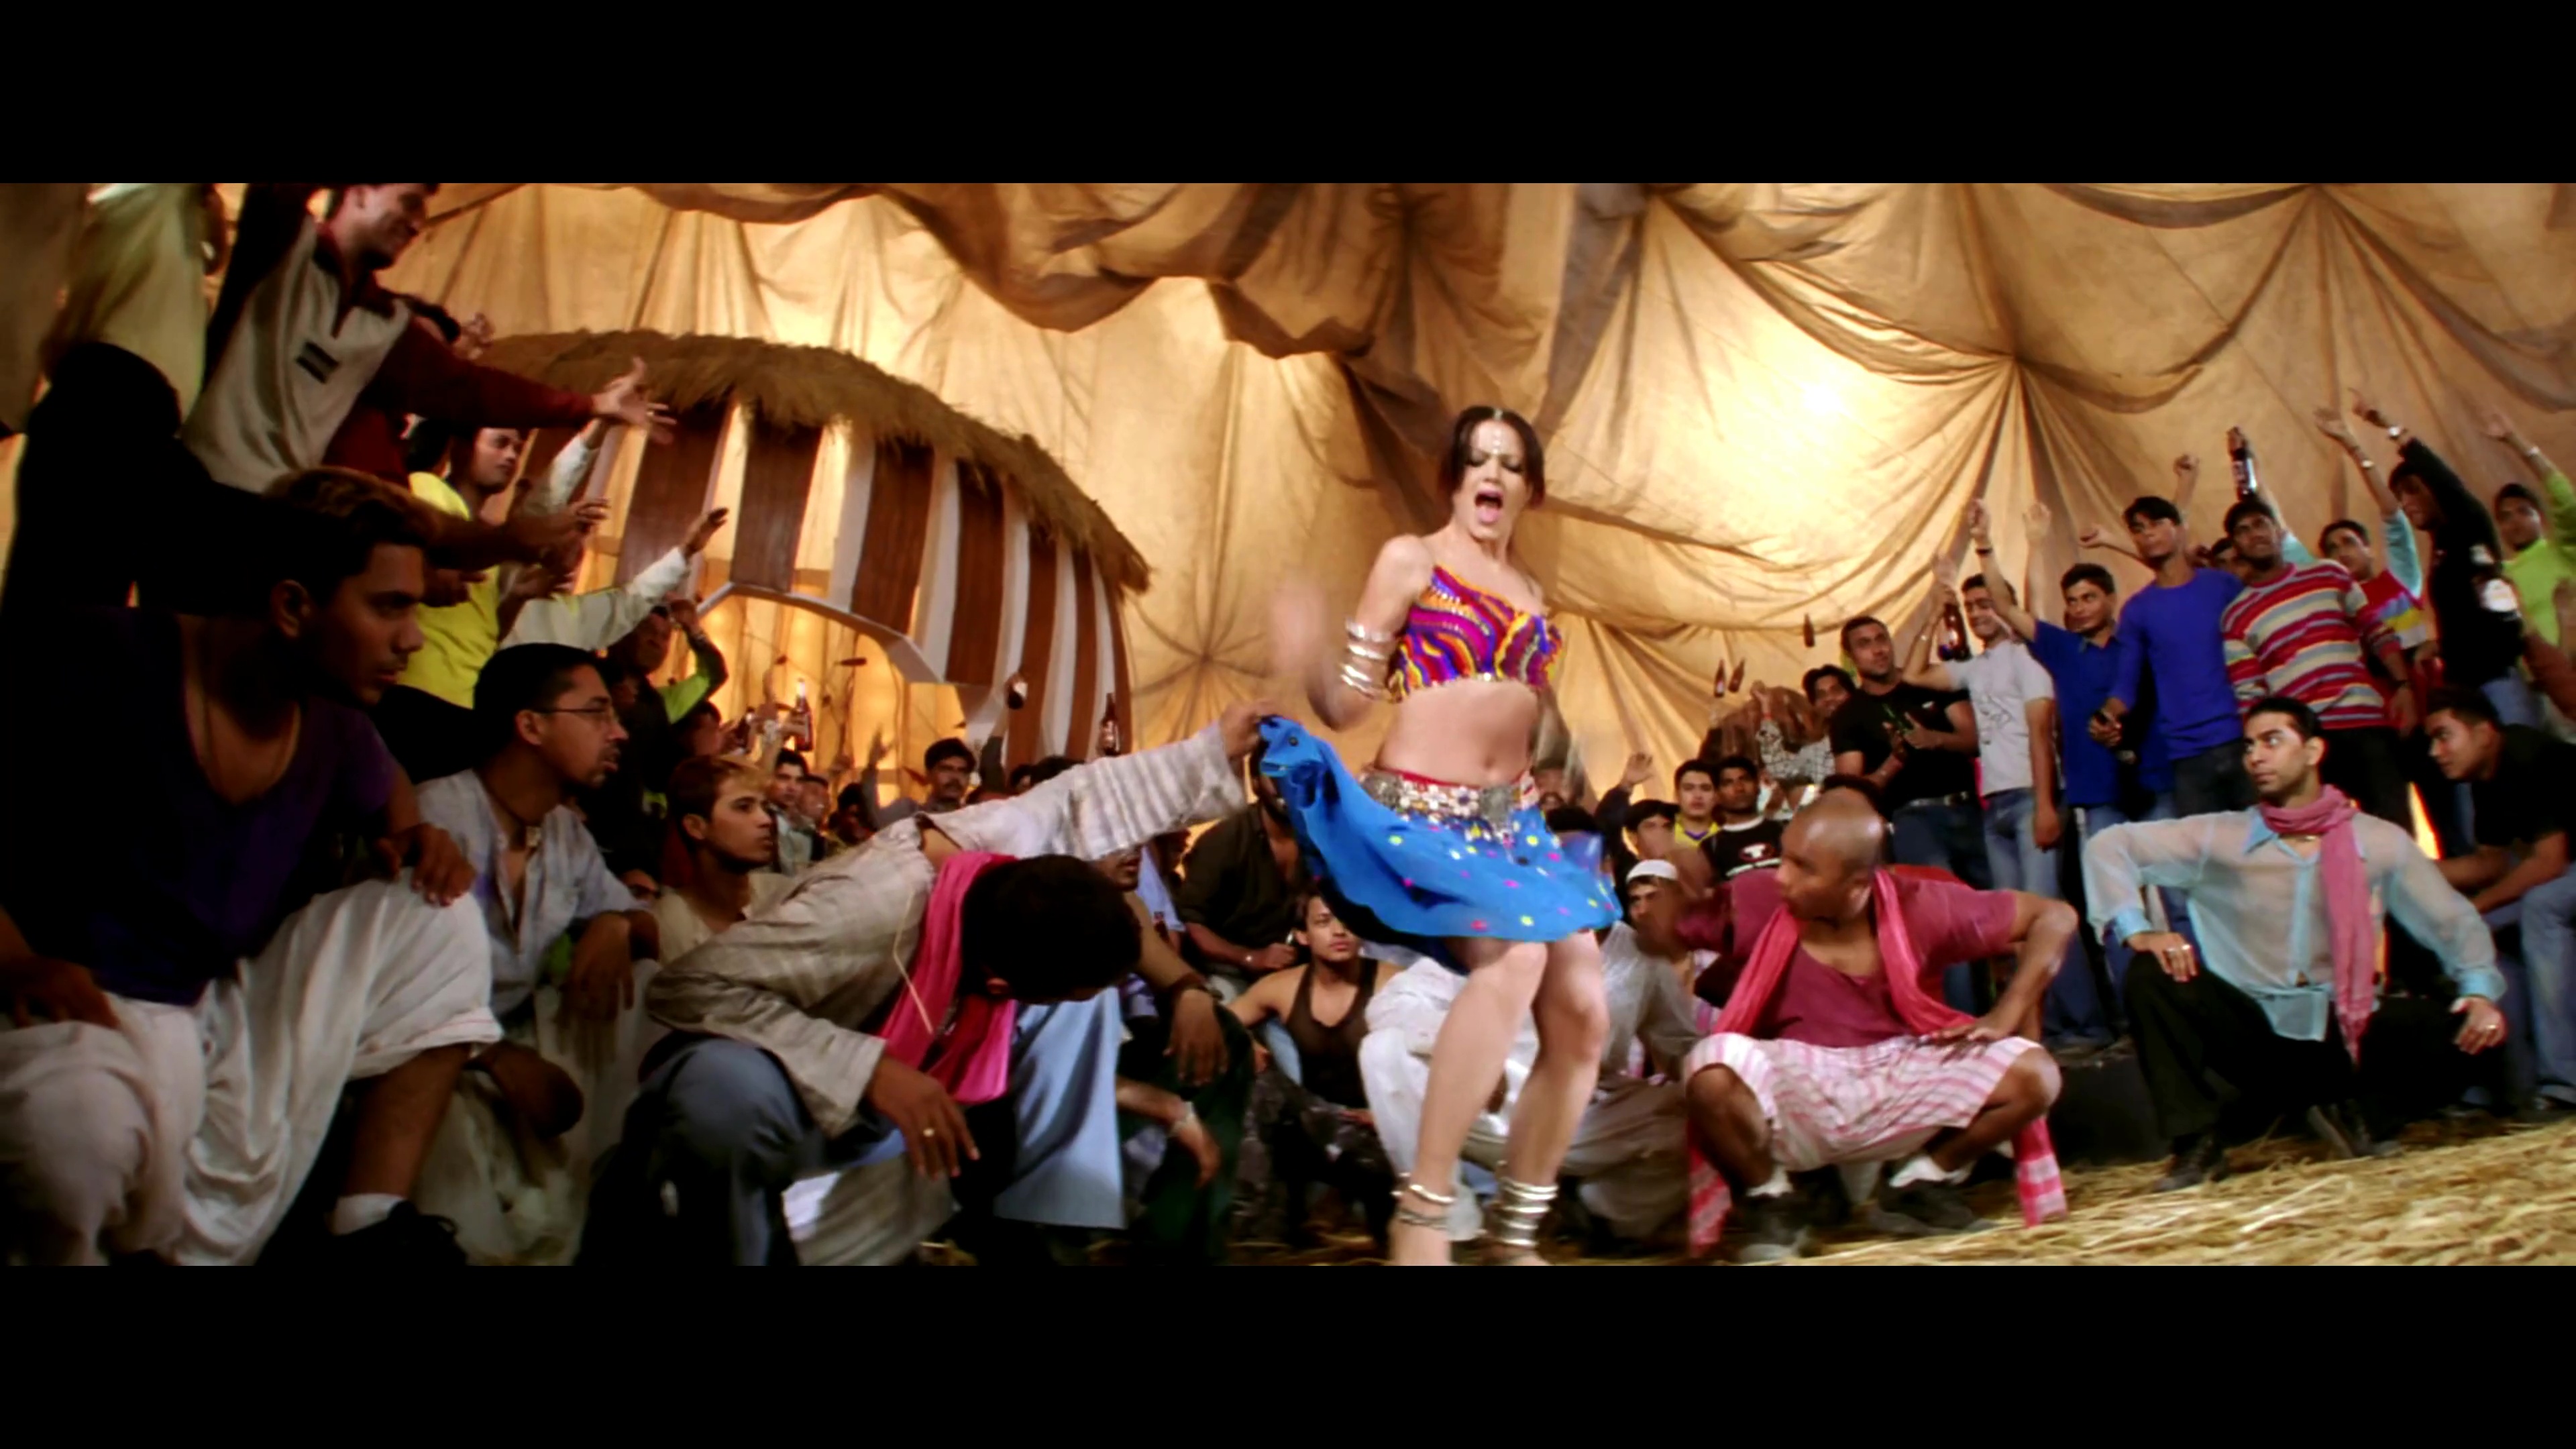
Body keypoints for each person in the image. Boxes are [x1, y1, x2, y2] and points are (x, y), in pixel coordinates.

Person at [0, 467, 498, 1265]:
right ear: (293, 606)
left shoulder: (334, 725)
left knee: (439, 917)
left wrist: (413, 834)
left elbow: (388, 784)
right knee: (75, 1128)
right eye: (389, 607)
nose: (414, 639)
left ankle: (367, 1229)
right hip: (56, 1023)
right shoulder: (101, 656)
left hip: (206, 1016)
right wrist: (16, 958)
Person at [579, 704, 1270, 1267]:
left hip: (861, 1107)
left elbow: (1076, 799)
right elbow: (690, 987)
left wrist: (1215, 747)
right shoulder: (868, 910)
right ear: (999, 983)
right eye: (1056, 995)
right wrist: (871, 1069)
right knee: (725, 1090)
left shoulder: (1003, 851)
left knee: (975, 1123)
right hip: (770, 1092)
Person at [1265, 403, 1617, 1266]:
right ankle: (1423, 1211)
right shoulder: (1411, 559)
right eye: (1478, 460)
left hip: (1514, 827)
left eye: (1511, 464)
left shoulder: (1532, 591)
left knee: (1584, 1011)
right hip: (1422, 815)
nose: (1493, 475)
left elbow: (1528, 713)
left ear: (1530, 489)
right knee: (1517, 958)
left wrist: (1553, 768)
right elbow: (1349, 706)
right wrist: (1309, 654)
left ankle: (1515, 1235)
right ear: (1455, 479)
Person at [2083, 698, 2511, 1191]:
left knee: (2478, 1031)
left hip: (2343, 1029)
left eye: (2272, 742)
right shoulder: (2223, 836)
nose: (2256, 757)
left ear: (2312, 752)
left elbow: (2451, 921)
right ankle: (2197, 1145)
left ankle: (2358, 1115)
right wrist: (2138, 929)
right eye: (2249, 746)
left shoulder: (2377, 841)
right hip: (2253, 1032)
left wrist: (2479, 992)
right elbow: (2109, 845)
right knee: (2151, 975)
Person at [1674, 793, 2075, 1262]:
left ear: (1857, 883)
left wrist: (2007, 1013)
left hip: (1897, 1070)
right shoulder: (1757, 897)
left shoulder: (1921, 904)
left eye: (1804, 868)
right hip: (1797, 1078)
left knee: (2035, 1074)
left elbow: (2055, 916)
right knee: (1710, 1067)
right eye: (1785, 858)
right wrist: (1675, 880)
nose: (1782, 877)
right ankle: (1773, 1198)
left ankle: (1919, 1183)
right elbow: (1669, 928)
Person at [408, 645, 663, 1263]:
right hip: (421, 1050)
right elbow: (386, 990)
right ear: (530, 725)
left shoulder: (565, 833)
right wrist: (494, 1055)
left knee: (650, 986)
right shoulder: (436, 816)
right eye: (597, 713)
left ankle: (610, 1194)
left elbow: (649, 930)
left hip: (520, 1037)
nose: (619, 733)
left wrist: (615, 924)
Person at [1356, 859, 1701, 1254]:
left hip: (1581, 1118)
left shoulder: (1642, 955)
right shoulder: (1494, 936)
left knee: (1694, 1114)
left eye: (1581, 860)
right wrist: (1467, 1054)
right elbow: (1394, 1002)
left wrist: (1724, 1072)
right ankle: (1452, 1228)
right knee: (1384, 1049)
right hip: (1488, 1108)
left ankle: (1601, 1213)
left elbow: (1678, 1045)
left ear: (1605, 870)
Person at [1906, 530, 2103, 1049]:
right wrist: (1937, 609)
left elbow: (2040, 732)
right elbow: (1915, 674)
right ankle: (2048, 1028)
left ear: (2005, 605)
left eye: (1985, 602)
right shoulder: (1979, 667)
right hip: (1993, 805)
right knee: (2015, 927)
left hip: (2030, 796)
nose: (1978, 612)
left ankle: (2086, 1024)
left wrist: (2045, 804)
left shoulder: (2027, 657)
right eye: (1971, 607)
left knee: (2049, 914)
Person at [1093, 843, 1252, 1266]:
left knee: (1225, 1035)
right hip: (1018, 1104)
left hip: (1101, 1073)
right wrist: (1167, 1108)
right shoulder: (1037, 909)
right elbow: (1042, 1068)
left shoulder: (1123, 902)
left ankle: (1181, 1241)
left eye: (1134, 834)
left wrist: (1192, 994)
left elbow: (1174, 973)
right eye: (1111, 838)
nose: (1132, 848)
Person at [2216, 499, 2418, 829]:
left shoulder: (2329, 574)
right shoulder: (2236, 615)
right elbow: (2249, 694)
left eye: (2261, 523)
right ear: (2236, 546)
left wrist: (2404, 686)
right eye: (2243, 530)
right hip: (2305, 741)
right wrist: (2265, 752)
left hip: (2365, 722)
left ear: (2277, 530)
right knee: (2323, 841)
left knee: (2394, 832)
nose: (2255, 534)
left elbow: (2376, 631)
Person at [2425, 692, 2576, 1114]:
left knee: (2542, 906)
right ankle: (2515, 1087)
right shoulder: (2484, 779)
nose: (2435, 752)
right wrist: (2405, 869)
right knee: (2477, 936)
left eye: (2444, 736)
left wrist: (2475, 908)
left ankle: (2566, 1083)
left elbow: (2549, 863)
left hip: (2564, 873)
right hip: (2567, 872)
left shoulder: (2529, 757)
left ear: (2484, 733)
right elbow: (2488, 865)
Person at [1829, 614, 1991, 1006]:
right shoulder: (1849, 716)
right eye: (1865, 644)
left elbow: (1973, 739)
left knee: (1998, 912)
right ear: (1851, 658)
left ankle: (2031, 1018)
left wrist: (1936, 739)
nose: (1877, 649)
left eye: (1881, 639)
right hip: (1914, 821)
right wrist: (1894, 762)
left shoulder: (1929, 682)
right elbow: (1853, 792)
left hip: (1970, 809)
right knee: (1944, 919)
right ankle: (1961, 1021)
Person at [2349, 391, 2538, 727]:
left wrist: (2390, 426)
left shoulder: (2470, 524)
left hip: (2498, 678)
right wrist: (2439, 647)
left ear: (2435, 489)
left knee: (2523, 755)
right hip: (2466, 686)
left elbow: (2446, 481)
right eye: (2400, 496)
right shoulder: (2440, 550)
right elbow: (2467, 617)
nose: (2406, 502)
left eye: (2413, 489)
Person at [1227, 894, 1402, 1248]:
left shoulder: (1392, 983)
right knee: (1262, 1085)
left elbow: (1439, 1056)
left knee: (1393, 1238)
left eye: (1347, 921)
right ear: (1302, 935)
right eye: (1324, 922)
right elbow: (1217, 1022)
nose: (1339, 931)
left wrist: (1393, 1114)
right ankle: (1256, 1229)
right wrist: (1243, 1041)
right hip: (1314, 1124)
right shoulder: (1283, 987)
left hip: (1383, 1134)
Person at [2095, 488, 2252, 815]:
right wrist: (2106, 717)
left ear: (2179, 528)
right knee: (2205, 848)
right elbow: (2126, 684)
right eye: (2138, 529)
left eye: (2156, 523)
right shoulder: (2137, 610)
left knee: (2269, 840)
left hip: (2244, 737)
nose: (2147, 533)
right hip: (2187, 755)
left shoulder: (2224, 586)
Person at [1171, 749, 1307, 997]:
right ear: (1255, 784)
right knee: (1226, 1012)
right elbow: (1191, 922)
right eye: (1277, 777)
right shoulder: (1224, 841)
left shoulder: (1320, 838)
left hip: (1295, 970)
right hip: (1228, 970)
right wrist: (1249, 957)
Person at [653, 755, 792, 965]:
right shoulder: (667, 924)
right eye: (743, 807)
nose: (765, 820)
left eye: (765, 807)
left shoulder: (784, 895)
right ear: (696, 827)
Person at [2481, 408, 2576, 650]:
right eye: (2505, 517)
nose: (2515, 521)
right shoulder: (2502, 577)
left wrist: (2516, 441)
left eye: (2524, 511)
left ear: (2541, 518)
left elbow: (2565, 500)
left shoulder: (2563, 551)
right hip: (2544, 672)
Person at [1701, 756, 1786, 880]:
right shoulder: (1710, 847)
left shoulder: (1785, 830)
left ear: (1757, 786)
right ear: (1717, 795)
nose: (1739, 788)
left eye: (1745, 780)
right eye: (1728, 783)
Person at [877, 739, 975, 825]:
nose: (955, 777)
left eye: (963, 771)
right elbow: (876, 822)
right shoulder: (908, 812)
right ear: (929, 774)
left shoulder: (974, 820)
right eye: (946, 769)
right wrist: (872, 768)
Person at [1672, 760, 1723, 851]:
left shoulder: (1726, 838)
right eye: (1689, 788)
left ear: (1717, 796)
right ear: (1677, 795)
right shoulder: (1664, 835)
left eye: (1706, 789)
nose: (1698, 796)